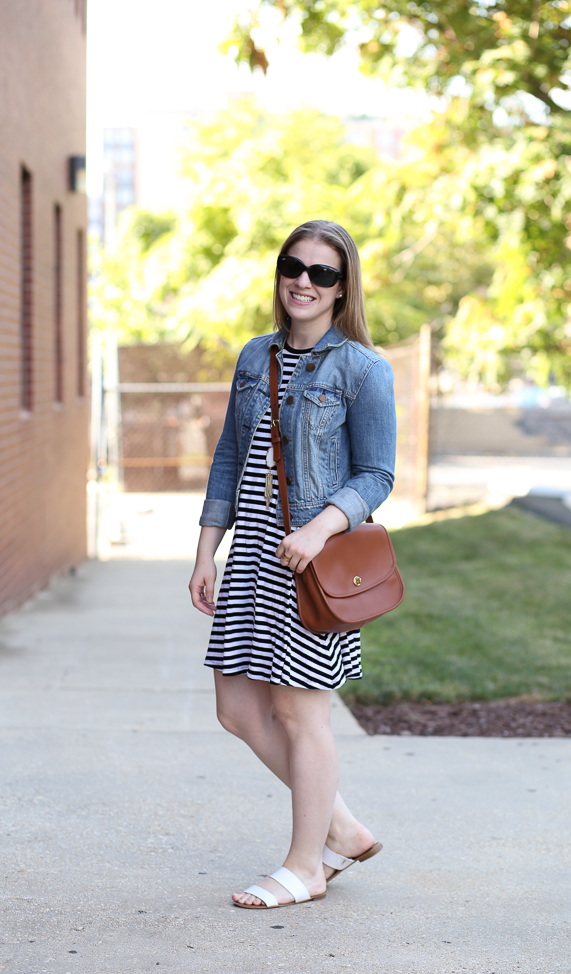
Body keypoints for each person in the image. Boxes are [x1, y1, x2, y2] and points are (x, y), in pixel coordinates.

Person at [188, 219, 396, 910]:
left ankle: (306, 864)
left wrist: (319, 526)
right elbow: (227, 457)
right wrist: (206, 549)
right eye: (292, 266)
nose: (303, 281)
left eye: (322, 273)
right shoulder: (255, 357)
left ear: (342, 289)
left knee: (301, 715)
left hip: (310, 562)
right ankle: (342, 829)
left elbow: (375, 475)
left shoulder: (362, 368)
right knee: (239, 709)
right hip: (251, 553)